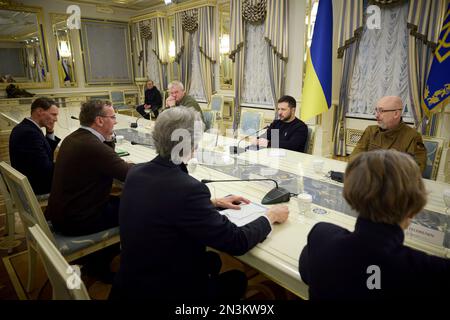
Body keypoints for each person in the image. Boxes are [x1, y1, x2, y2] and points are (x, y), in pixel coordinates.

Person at [110, 107, 289, 301]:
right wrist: (270, 217)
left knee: (212, 260)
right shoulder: (188, 189)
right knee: (236, 278)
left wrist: (212, 203)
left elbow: (164, 204)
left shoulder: (136, 172)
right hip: (165, 291)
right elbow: (236, 242)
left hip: (130, 282)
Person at [299, 149, 450, 300]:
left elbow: (306, 273)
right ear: (414, 207)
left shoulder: (321, 236)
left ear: (350, 193)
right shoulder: (432, 271)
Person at [46, 100, 133, 236]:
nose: (115, 122)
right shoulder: (92, 146)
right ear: (99, 120)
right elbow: (128, 174)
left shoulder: (74, 137)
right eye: (113, 117)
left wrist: (109, 139)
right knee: (142, 206)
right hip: (79, 221)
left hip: (63, 213)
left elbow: (110, 162)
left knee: (125, 200)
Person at [350, 96, 427, 172]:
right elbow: (354, 158)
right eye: (376, 110)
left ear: (396, 114)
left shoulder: (412, 136)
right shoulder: (370, 131)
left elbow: (416, 169)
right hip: (369, 178)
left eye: (381, 111)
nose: (376, 115)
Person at [9, 97, 60, 195]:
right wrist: (67, 165)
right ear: (40, 111)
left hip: (32, 181)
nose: (56, 119)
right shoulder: (29, 133)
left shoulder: (25, 127)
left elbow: (45, 154)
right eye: (53, 114)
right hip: (36, 187)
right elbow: (45, 169)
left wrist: (50, 131)